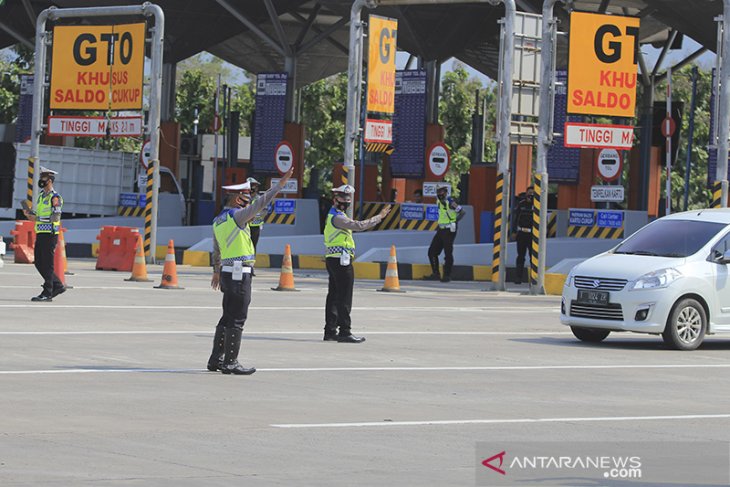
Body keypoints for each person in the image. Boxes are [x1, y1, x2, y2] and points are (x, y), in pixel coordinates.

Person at [207, 167, 293, 375]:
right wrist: (279, 186)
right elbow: (261, 203)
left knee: (227, 316)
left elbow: (216, 248)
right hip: (239, 273)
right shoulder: (237, 216)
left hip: (227, 272)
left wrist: (216, 271)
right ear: (238, 200)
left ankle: (216, 360)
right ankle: (230, 362)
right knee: (237, 317)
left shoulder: (219, 220)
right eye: (246, 197)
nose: (250, 200)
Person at [323, 185, 391, 343]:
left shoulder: (334, 214)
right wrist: (379, 217)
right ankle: (344, 331)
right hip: (341, 261)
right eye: (343, 200)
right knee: (344, 296)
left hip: (333, 258)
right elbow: (359, 226)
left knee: (333, 295)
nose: (345, 203)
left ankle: (330, 331)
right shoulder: (337, 217)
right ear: (335, 200)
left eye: (347, 200)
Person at [22, 167, 65, 302]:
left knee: (47, 263)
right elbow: (40, 215)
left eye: (44, 179)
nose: (41, 181)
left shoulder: (55, 198)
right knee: (39, 262)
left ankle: (48, 292)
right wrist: (31, 215)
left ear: (50, 181)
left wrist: (38, 219)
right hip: (41, 233)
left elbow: (56, 217)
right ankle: (57, 285)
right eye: (41, 178)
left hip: (50, 233)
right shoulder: (41, 196)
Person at [425, 184, 465, 283]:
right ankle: (436, 274)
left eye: (442, 192)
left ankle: (447, 275)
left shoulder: (451, 202)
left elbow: (462, 212)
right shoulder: (438, 202)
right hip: (441, 229)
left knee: (448, 253)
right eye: (438, 192)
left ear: (446, 193)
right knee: (432, 251)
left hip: (449, 230)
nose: (440, 194)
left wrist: (455, 222)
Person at [511, 186, 535, 285]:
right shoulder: (521, 204)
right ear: (526, 193)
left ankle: (533, 278)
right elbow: (516, 218)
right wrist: (513, 231)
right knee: (520, 256)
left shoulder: (537, 205)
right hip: (521, 234)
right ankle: (518, 278)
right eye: (529, 193)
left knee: (533, 257)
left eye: (533, 193)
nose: (531, 195)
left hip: (532, 235)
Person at [246, 176, 265, 276]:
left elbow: (263, 211)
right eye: (251, 186)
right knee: (245, 247)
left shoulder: (259, 198)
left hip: (255, 226)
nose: (253, 188)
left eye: (254, 186)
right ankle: (244, 266)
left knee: (253, 247)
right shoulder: (244, 197)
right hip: (245, 226)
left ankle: (251, 267)